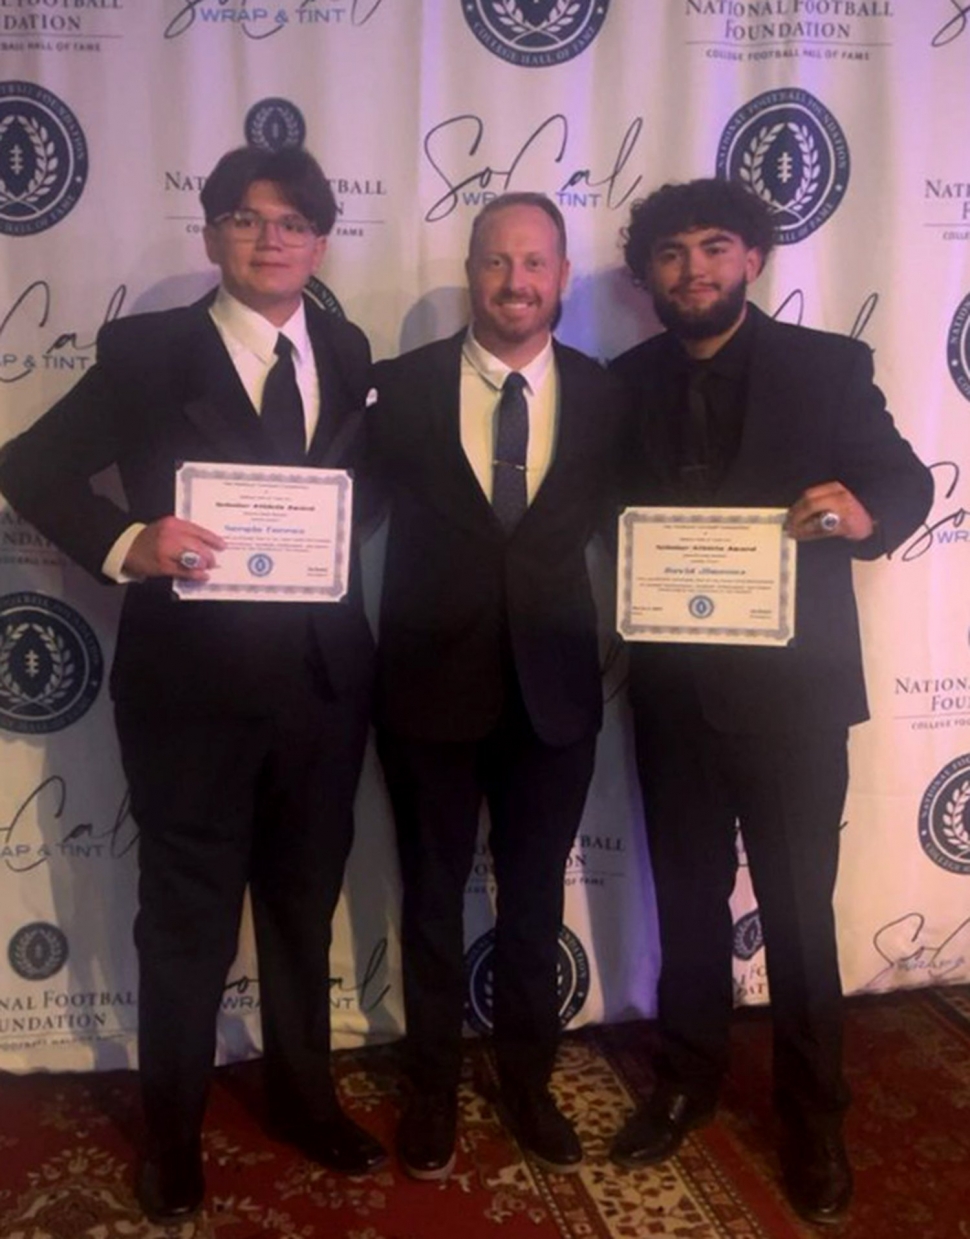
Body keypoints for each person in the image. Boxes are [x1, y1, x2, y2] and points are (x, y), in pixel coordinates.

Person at [0, 145, 387, 1225]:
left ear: (320, 240)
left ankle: (305, 1099)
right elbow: (28, 465)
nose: (272, 240)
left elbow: (358, 490)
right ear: (212, 233)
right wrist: (129, 539)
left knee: (305, 913)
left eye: (293, 222)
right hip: (189, 693)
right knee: (187, 926)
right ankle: (171, 1139)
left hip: (320, 687)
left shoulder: (348, 346)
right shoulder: (144, 352)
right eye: (247, 219)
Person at [608, 178, 932, 1226]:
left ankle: (812, 1119)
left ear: (751, 257)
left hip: (792, 703)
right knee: (688, 913)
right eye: (669, 253)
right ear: (647, 272)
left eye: (712, 247)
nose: (691, 269)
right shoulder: (621, 382)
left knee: (797, 918)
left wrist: (860, 506)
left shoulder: (828, 367)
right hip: (671, 695)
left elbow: (904, 481)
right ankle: (689, 1082)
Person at [370, 193, 623, 1180]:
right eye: (494, 261)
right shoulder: (398, 388)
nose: (514, 281)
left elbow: (656, 521)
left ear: (559, 276)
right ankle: (430, 1088)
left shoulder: (608, 394)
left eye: (534, 263)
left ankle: (527, 1083)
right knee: (430, 900)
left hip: (554, 696)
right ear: (470, 271)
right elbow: (322, 511)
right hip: (425, 693)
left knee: (531, 907)